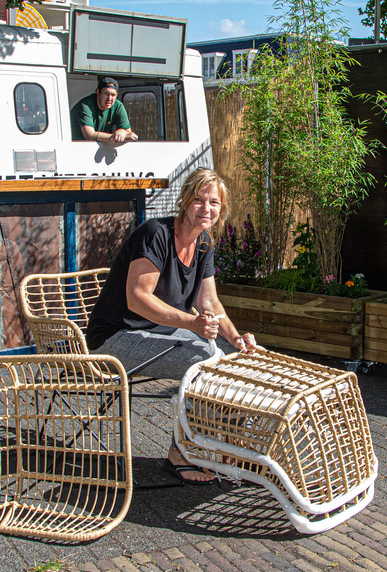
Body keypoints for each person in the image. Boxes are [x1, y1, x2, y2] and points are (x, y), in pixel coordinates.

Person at [86, 167, 258, 483]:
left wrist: (236, 339)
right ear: (184, 201)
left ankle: (224, 445)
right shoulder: (156, 234)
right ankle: (183, 452)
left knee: (231, 359)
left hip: (156, 333)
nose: (206, 209)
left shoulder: (204, 243)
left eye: (214, 203)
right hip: (114, 337)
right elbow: (138, 298)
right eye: (199, 200)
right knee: (204, 358)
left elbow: (210, 304)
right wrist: (191, 323)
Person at [71, 76, 138, 144]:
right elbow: (90, 136)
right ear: (98, 92)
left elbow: (129, 133)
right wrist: (115, 137)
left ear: (117, 95)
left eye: (113, 95)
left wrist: (122, 131)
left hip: (101, 149)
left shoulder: (118, 106)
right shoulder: (85, 105)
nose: (109, 98)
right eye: (106, 93)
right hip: (76, 148)